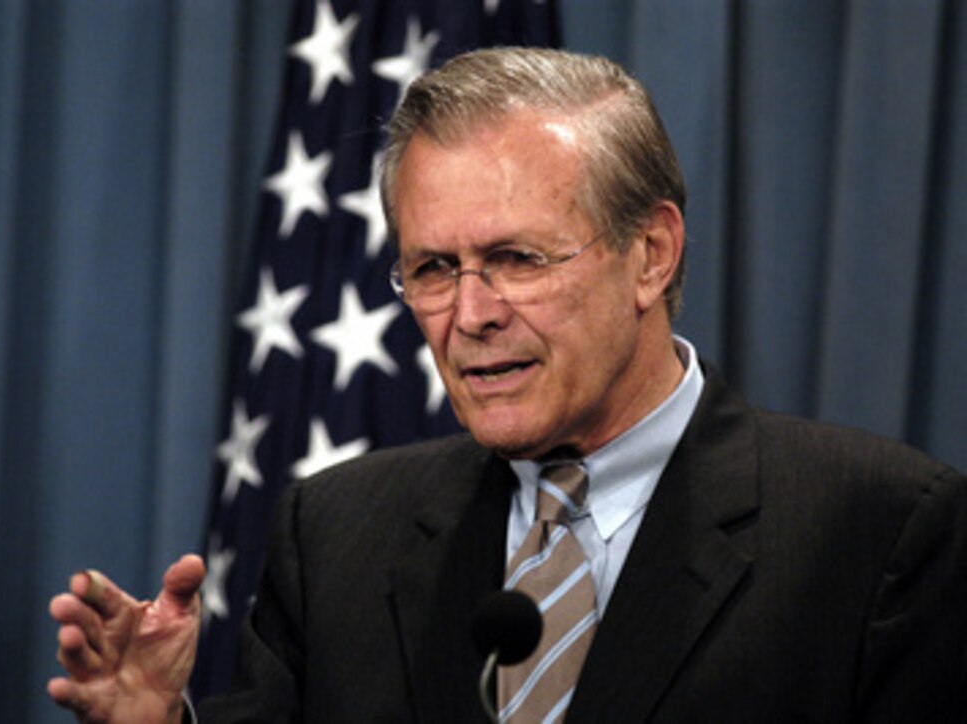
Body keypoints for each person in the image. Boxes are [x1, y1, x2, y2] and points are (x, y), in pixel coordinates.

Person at [48, 47, 967, 723]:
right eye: (433, 269)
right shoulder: (335, 535)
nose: (471, 314)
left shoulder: (878, 531)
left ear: (651, 255)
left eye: (516, 259)